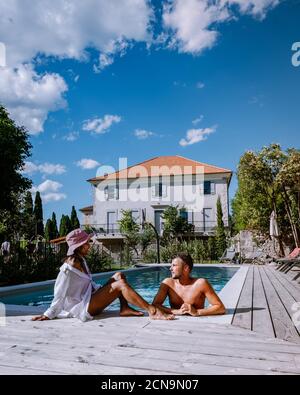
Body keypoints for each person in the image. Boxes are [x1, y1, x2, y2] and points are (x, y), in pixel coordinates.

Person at [32, 229, 174, 322]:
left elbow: (88, 284)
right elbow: (59, 292)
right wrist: (48, 314)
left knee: (119, 275)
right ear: (79, 245)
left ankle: (124, 309)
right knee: (120, 285)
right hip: (82, 307)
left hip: (90, 298)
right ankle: (152, 310)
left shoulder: (81, 260)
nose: (89, 245)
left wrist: (103, 289)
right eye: (87, 242)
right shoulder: (68, 268)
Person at [153, 253, 226, 317]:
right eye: (171, 265)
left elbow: (220, 308)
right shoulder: (168, 283)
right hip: (174, 324)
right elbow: (155, 305)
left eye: (174, 265)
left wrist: (197, 312)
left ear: (186, 268)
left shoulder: (200, 284)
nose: (170, 268)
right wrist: (176, 311)